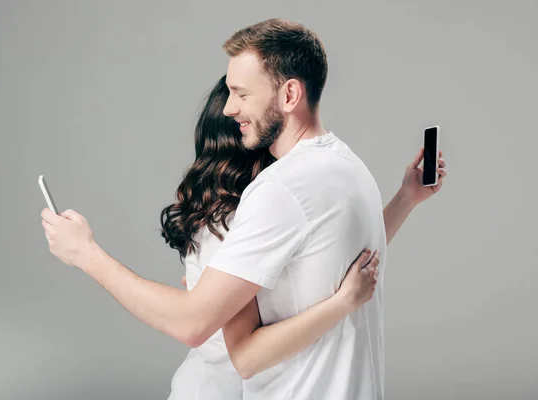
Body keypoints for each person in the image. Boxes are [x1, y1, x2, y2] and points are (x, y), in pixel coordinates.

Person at [40, 18, 446, 399]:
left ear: (289, 95)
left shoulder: (279, 190)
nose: (230, 108)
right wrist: (405, 199)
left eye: (242, 94)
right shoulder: (351, 169)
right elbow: (339, 259)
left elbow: (194, 325)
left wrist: (87, 255)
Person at [162, 76, 444, 399]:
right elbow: (244, 356)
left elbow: (344, 261)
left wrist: (406, 199)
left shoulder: (265, 210)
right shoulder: (234, 223)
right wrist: (342, 303)